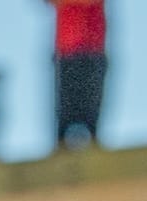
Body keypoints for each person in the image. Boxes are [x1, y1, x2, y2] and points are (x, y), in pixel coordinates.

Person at [47, 0, 107, 146]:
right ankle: (60, 149)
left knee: (91, 108)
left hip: (92, 51)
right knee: (65, 110)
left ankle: (94, 146)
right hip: (67, 52)